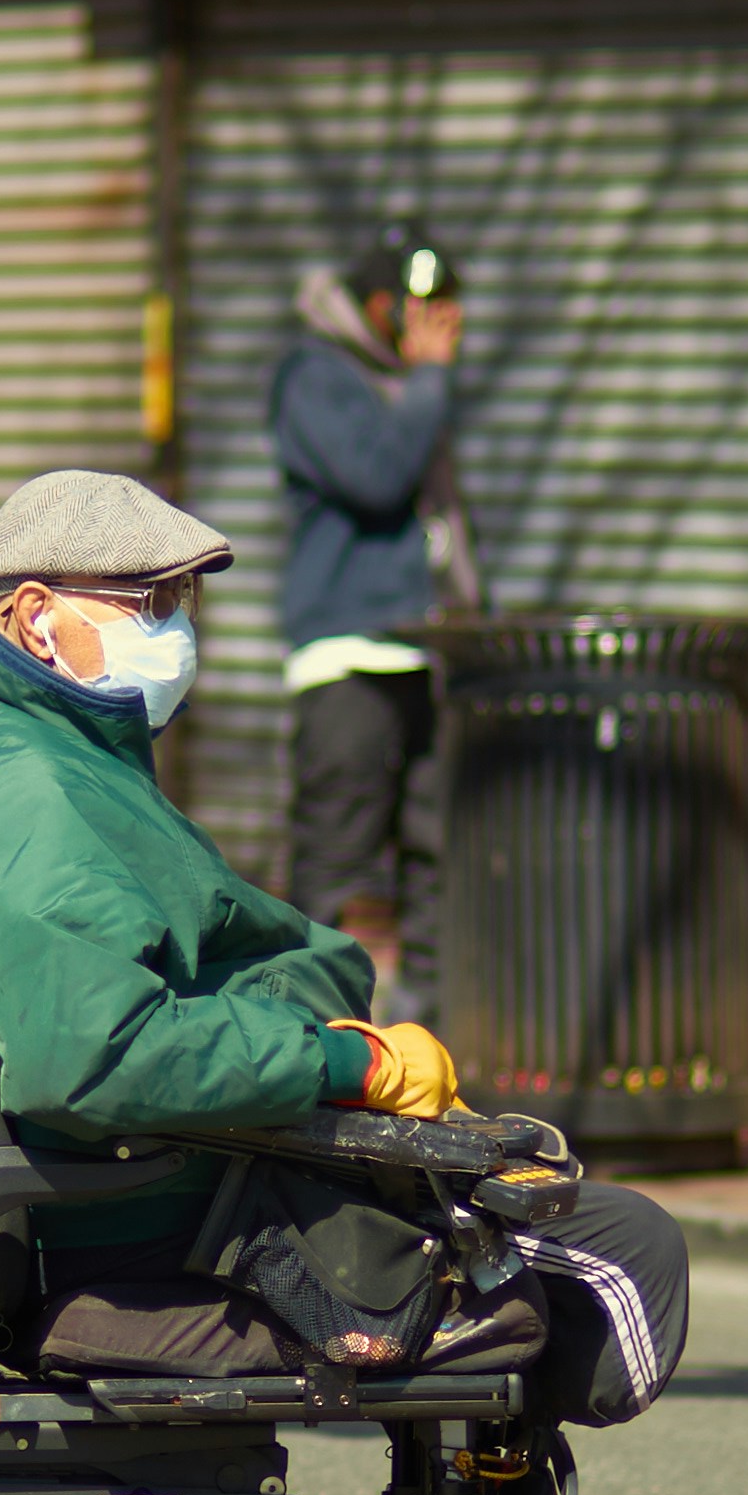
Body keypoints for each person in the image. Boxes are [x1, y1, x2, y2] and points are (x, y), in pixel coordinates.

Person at [0, 468, 684, 1423]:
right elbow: (94, 1056)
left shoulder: (3, 749)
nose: (177, 630)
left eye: (186, 600)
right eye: (150, 602)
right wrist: (346, 1062)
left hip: (179, 1165)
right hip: (164, 1202)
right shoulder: (26, 797)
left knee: (528, 1202)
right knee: (628, 1248)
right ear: (36, 615)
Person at [265, 218, 479, 1019]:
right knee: (334, 862)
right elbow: (379, 476)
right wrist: (428, 380)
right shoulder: (312, 375)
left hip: (427, 654)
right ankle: (309, 1038)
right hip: (350, 657)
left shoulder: (405, 383)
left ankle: (425, 1041)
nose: (440, 332)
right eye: (424, 311)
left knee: (436, 857)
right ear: (382, 305)